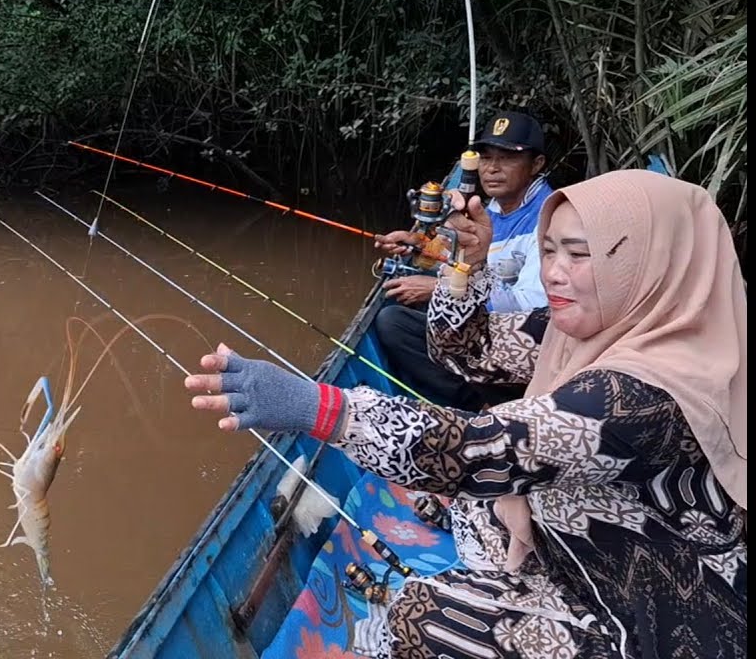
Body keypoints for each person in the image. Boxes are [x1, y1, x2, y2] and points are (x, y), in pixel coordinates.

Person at [185, 170, 747, 658]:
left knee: (417, 614)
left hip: (659, 629)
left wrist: (320, 407)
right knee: (484, 510)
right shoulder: (596, 327)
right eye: (549, 250)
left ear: (655, 264)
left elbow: (476, 452)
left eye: (580, 255)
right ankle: (505, 591)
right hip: (590, 561)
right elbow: (465, 348)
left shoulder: (650, 395)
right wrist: (464, 266)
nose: (553, 272)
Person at [373, 110, 553, 410]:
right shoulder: (489, 209)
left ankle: (481, 403)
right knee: (397, 319)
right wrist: (418, 248)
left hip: (520, 337)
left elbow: (534, 304)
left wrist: (437, 290)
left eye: (507, 158)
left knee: (393, 322)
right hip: (479, 320)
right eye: (486, 157)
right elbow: (461, 259)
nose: (492, 169)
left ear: (536, 164)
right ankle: (479, 396)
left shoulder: (549, 217)